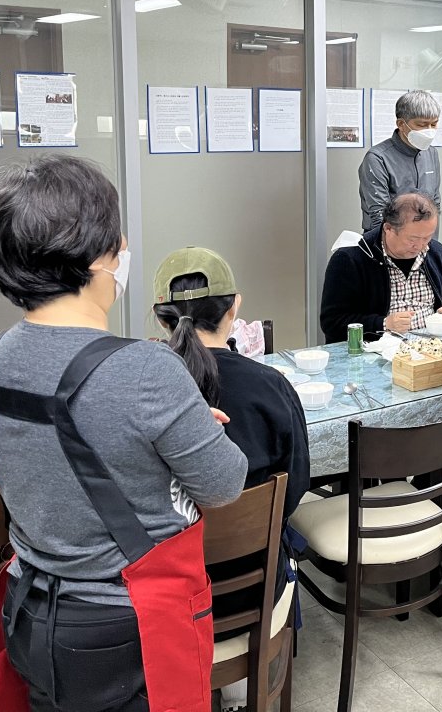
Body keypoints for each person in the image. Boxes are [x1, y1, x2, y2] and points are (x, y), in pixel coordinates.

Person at [0, 154, 247, 712]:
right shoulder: (147, 369)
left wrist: (156, 435)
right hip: (125, 624)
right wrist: (188, 430)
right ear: (97, 258)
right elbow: (223, 484)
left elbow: (29, 454)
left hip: (29, 608)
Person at [152, 246, 311, 712]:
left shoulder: (141, 393)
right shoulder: (270, 386)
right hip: (253, 590)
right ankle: (243, 690)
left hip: (167, 596)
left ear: (161, 318)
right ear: (235, 307)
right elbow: (295, 488)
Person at [320, 191, 442, 342]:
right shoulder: (351, 258)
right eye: (413, 239)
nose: (421, 246)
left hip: (432, 346)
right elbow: (332, 322)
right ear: (388, 228)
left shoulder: (435, 252)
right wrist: (383, 324)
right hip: (376, 349)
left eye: (427, 238)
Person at [358, 90, 442, 231]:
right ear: (401, 124)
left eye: (433, 124)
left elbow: (435, 204)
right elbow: (379, 215)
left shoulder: (431, 153)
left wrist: (427, 239)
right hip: (389, 239)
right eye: (422, 125)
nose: (429, 131)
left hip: (425, 239)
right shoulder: (377, 158)